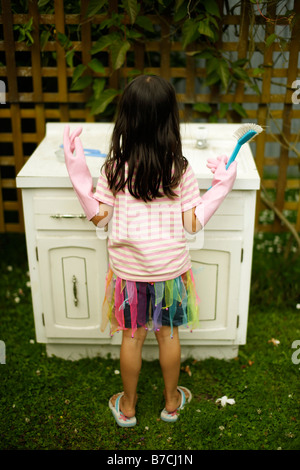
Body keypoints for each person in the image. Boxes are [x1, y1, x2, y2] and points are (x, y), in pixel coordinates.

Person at [63, 75, 237, 427]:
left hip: (129, 275)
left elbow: (99, 217)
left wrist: (76, 169)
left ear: (126, 118)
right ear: (169, 119)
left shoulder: (115, 168)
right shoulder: (179, 169)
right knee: (168, 336)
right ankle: (171, 402)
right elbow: (192, 224)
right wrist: (222, 184)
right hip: (170, 274)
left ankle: (128, 406)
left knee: (132, 338)